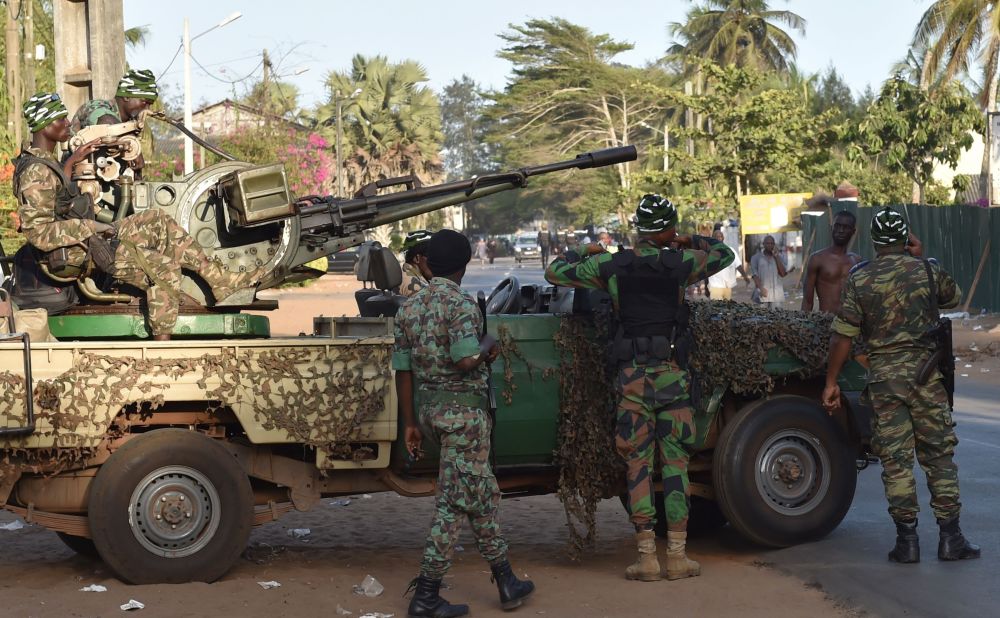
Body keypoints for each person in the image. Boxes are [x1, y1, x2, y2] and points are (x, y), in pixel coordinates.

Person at [544, 194, 734, 582]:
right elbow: (725, 253)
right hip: (672, 377)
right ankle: (678, 557)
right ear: (668, 229)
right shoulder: (681, 264)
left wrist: (586, 248)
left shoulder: (609, 265)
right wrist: (689, 241)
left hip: (632, 380)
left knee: (638, 465)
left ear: (637, 228)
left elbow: (554, 271)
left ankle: (646, 558)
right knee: (677, 464)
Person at [13, 92, 256, 341]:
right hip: (77, 251)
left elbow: (57, 202)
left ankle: (219, 279)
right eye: (60, 119)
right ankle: (162, 347)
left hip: (87, 240)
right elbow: (37, 233)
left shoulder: (43, 163)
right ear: (44, 125)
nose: (67, 123)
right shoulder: (35, 171)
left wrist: (75, 162)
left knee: (158, 221)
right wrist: (91, 226)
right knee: (165, 269)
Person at [822, 208, 979, 564]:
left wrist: (831, 382)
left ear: (874, 241)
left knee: (895, 462)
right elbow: (952, 298)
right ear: (905, 238)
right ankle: (951, 539)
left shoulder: (859, 278)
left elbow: (842, 336)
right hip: (926, 379)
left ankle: (907, 543)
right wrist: (920, 258)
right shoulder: (926, 269)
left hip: (884, 381)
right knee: (939, 457)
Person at [394, 229, 534, 617]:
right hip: (464, 417)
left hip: (431, 412)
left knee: (477, 492)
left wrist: (410, 422)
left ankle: (507, 580)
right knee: (454, 505)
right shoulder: (460, 305)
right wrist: (488, 347)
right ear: (464, 264)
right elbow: (465, 360)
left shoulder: (409, 307)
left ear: (429, 262)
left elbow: (402, 370)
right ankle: (425, 596)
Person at [802, 210, 861, 313]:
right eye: (837, 226)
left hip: (851, 324)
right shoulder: (817, 259)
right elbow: (807, 301)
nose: (841, 230)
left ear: (853, 231)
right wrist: (803, 326)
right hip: (826, 322)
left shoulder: (857, 261)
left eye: (846, 227)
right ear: (831, 228)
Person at [71, 68, 158, 133]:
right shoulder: (96, 106)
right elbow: (106, 121)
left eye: (150, 104)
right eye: (145, 102)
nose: (147, 108)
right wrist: (130, 140)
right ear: (127, 97)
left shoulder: (130, 123)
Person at [750, 235, 787, 308]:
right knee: (762, 317)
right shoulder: (756, 258)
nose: (770, 245)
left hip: (776, 295)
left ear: (774, 245)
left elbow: (783, 273)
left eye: (772, 243)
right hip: (762, 293)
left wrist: (776, 257)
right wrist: (761, 288)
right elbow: (755, 275)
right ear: (763, 244)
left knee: (777, 317)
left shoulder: (779, 257)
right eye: (767, 243)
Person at [706, 230, 738, 300]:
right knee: (717, 308)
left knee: (727, 308)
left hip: (727, 286)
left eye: (720, 236)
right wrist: (706, 286)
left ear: (723, 238)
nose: (719, 238)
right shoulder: (709, 252)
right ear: (713, 238)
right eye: (716, 237)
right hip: (715, 286)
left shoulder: (730, 250)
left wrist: (745, 277)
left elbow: (738, 264)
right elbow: (706, 270)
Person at [400, 229, 432, 298]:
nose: (436, 262)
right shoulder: (415, 285)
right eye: (432, 256)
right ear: (417, 258)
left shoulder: (408, 274)